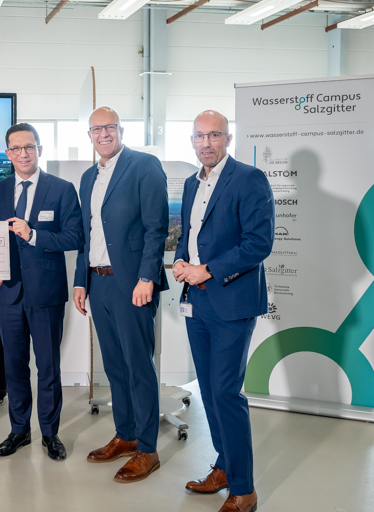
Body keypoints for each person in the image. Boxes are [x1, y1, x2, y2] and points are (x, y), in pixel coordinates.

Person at [173, 110, 274, 512]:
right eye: (200, 136)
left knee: (226, 393)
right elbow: (191, 234)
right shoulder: (189, 182)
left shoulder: (249, 179)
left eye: (214, 135)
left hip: (231, 301)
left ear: (227, 138)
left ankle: (244, 489)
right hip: (196, 300)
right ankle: (224, 466)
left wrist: (208, 270)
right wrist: (182, 263)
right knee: (210, 393)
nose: (206, 143)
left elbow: (258, 243)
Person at [73, 106, 169, 483]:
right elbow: (87, 234)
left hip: (132, 283)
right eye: (97, 129)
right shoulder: (87, 178)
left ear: (121, 130)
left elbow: (156, 227)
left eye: (109, 127)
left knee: (138, 366)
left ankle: (147, 448)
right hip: (98, 283)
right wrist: (81, 281)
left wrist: (147, 277)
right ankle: (126, 434)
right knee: (113, 366)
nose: (104, 134)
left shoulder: (144, 166)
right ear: (90, 136)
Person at [0, 123, 83, 460]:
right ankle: (19, 430)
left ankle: (50, 433)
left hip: (47, 293)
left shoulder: (62, 189)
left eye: (29, 147)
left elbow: (75, 237)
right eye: (16, 148)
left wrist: (34, 234)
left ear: (40, 149)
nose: (23, 153)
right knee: (14, 364)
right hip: (8, 293)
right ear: (8, 153)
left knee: (48, 366)